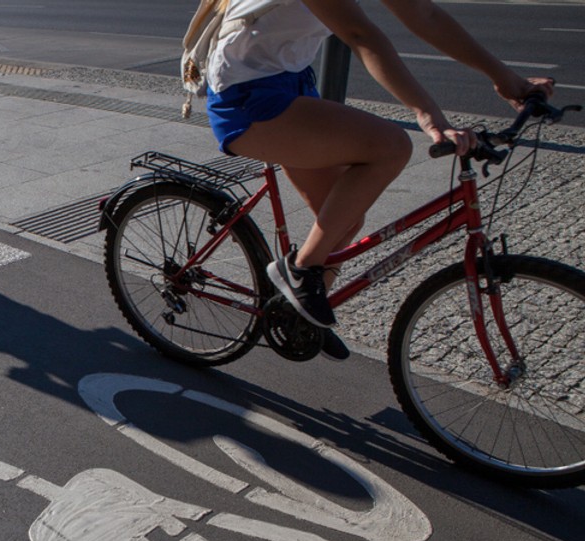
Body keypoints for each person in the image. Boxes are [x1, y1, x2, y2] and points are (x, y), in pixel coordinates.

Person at [203, 0, 554, 360]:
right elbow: (360, 34)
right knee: (391, 147)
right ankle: (299, 271)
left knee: (343, 218)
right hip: (245, 94)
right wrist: (430, 117)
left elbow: (425, 15)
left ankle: (299, 315)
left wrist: (509, 81)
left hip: (290, 81)